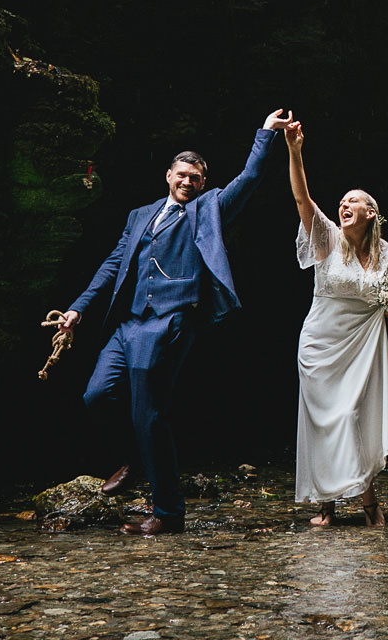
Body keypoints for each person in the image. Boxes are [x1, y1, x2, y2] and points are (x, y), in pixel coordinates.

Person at [58, 108, 289, 535]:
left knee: (150, 414)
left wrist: (265, 134)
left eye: (195, 179)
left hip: (169, 322)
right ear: (168, 175)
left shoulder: (208, 210)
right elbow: (113, 263)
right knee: (96, 396)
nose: (187, 182)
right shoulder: (138, 215)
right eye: (181, 175)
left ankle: (168, 513)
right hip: (128, 324)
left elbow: (249, 180)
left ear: (203, 184)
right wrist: (78, 308)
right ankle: (134, 456)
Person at [283, 117, 388, 527]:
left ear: (371, 213)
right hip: (321, 343)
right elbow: (302, 200)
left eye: (353, 202)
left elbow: (384, 298)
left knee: (353, 417)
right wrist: (295, 152)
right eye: (341, 202)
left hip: (361, 347)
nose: (344, 205)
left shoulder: (384, 251)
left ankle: (366, 499)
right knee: (325, 421)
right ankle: (327, 504)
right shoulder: (326, 238)